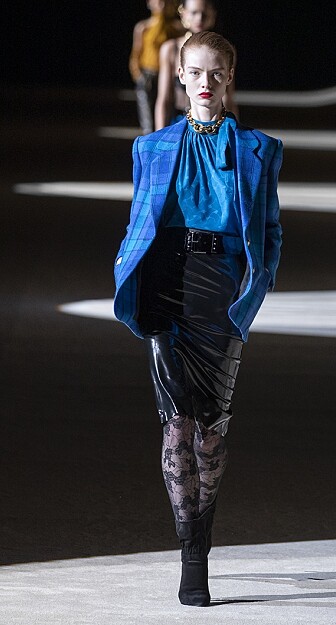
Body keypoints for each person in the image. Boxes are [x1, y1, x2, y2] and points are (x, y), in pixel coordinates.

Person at [113, 30, 283, 606]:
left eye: (216, 73)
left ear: (229, 78)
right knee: (176, 422)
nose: (205, 82)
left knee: (210, 428)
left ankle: (203, 529)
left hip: (221, 291)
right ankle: (191, 552)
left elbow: (271, 230)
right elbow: (139, 220)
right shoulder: (151, 148)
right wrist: (125, 267)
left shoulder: (260, 150)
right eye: (196, 72)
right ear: (181, 77)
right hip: (166, 283)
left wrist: (255, 288)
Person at [155, 0, 238, 131]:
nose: (199, 18)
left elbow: (229, 98)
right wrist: (160, 134)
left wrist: (235, 131)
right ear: (183, 14)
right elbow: (164, 98)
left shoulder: (225, 50)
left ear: (213, 15)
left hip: (216, 124)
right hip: (179, 122)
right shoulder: (171, 49)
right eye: (194, 13)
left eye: (204, 14)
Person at [130, 0, 182, 135]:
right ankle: (149, 139)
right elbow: (136, 54)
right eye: (158, 2)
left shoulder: (176, 28)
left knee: (168, 110)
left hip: (168, 74)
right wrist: (138, 75)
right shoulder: (143, 27)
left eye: (165, 2)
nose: (162, 5)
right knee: (147, 114)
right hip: (148, 75)